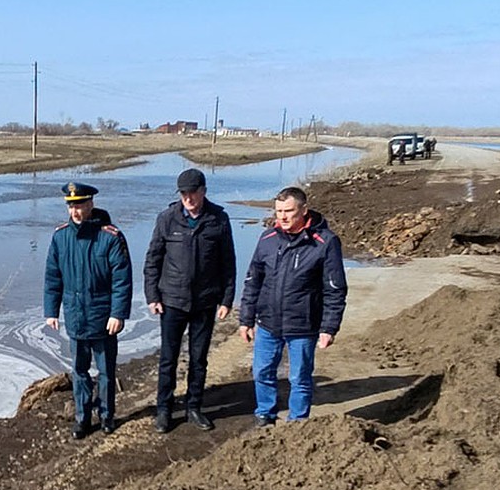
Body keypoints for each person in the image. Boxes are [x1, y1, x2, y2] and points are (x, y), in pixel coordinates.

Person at [238, 186, 347, 427]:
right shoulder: (267, 238)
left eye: (288, 211)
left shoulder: (325, 242)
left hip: (303, 325)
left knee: (299, 378)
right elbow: (252, 280)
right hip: (268, 323)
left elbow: (335, 289)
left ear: (304, 210)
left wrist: (329, 327)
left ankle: (297, 425)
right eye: (278, 211)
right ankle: (265, 416)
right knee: (262, 372)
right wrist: (246, 319)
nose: (283, 217)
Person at [143, 168, 236, 433]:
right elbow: (153, 260)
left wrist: (227, 299)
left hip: (205, 302)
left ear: (203, 191)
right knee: (168, 359)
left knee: (198, 359)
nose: (188, 198)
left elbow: (228, 263)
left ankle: (194, 407)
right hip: (172, 301)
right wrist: (153, 296)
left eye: (192, 192)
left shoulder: (218, 220)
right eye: (183, 193)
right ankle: (164, 409)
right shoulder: (167, 219)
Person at [44, 181, 134, 439]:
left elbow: (122, 279)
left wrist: (118, 314)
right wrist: (51, 311)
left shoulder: (110, 237)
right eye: (71, 206)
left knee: (106, 371)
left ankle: (107, 416)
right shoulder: (60, 237)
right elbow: (53, 276)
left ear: (91, 204)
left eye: (80, 205)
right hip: (75, 315)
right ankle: (82, 418)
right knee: (79, 371)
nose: (75, 211)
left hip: (104, 317)